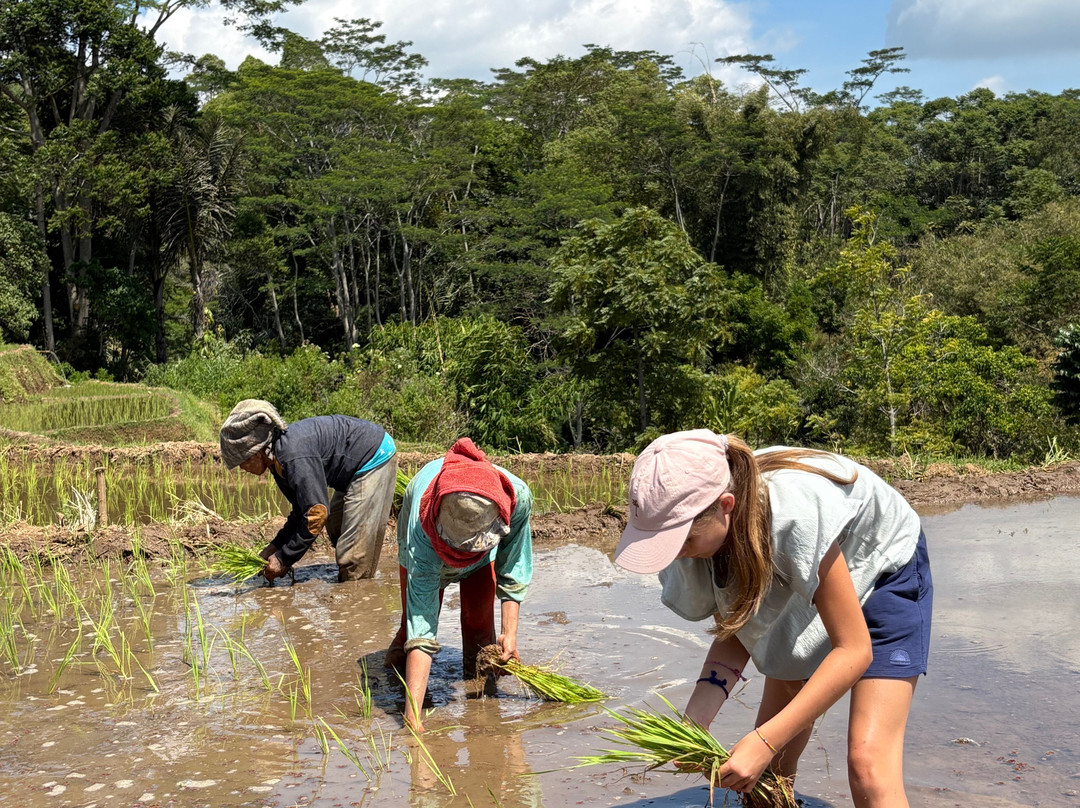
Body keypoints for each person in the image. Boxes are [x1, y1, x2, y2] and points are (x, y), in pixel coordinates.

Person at [614, 429, 932, 808]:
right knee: (768, 778)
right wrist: (695, 719)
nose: (676, 554)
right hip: (800, 568)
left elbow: (854, 650)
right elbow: (738, 626)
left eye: (682, 542)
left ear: (725, 506)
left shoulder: (792, 517)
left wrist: (763, 740)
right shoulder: (698, 541)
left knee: (868, 765)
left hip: (881, 566)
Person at [387, 437, 533, 732]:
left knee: (481, 632)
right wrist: (412, 716)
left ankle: (480, 712)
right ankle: (394, 680)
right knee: (409, 629)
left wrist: (509, 634)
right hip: (427, 546)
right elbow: (422, 626)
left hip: (480, 544)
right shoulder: (422, 532)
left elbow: (513, 567)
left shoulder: (516, 498)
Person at [219, 399, 398, 583]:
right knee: (337, 525)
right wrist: (275, 547)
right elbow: (300, 511)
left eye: (243, 462)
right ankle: (351, 572)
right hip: (352, 466)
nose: (242, 469)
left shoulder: (292, 456)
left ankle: (356, 592)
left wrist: (283, 559)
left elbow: (316, 515)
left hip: (373, 456)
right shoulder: (276, 461)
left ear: (256, 452)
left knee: (353, 554)